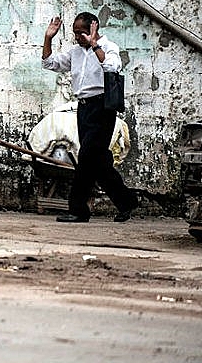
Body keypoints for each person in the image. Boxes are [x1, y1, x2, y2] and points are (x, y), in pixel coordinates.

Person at [42, 12, 138, 223]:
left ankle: (78, 210)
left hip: (103, 108)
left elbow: (112, 67)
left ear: (93, 28)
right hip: (84, 108)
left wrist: (94, 45)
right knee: (99, 162)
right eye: (75, 33)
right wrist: (48, 37)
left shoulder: (109, 47)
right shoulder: (75, 52)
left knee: (85, 157)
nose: (77, 37)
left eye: (81, 32)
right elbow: (50, 63)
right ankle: (127, 201)